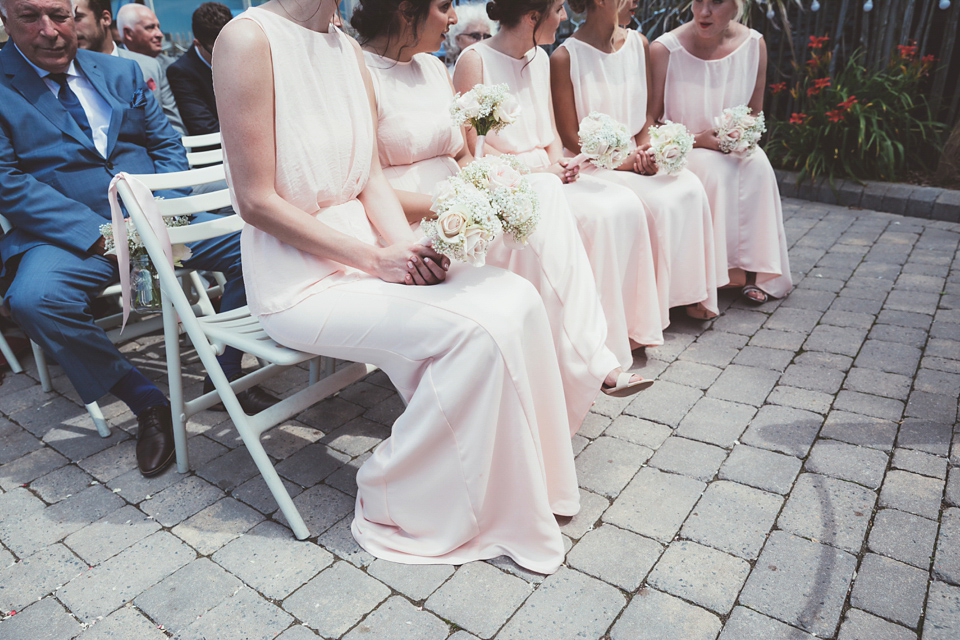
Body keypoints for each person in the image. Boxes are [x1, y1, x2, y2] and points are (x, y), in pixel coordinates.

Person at [214, 0, 580, 573]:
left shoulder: (342, 48)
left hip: (366, 258)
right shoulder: (247, 39)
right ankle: (399, 494)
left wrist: (406, 251)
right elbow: (256, 202)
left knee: (516, 298)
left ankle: (529, 488)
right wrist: (375, 257)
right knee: (474, 333)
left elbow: (366, 178)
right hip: (298, 281)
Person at [0, 0, 277, 478]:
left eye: (59, 16)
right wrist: (106, 235)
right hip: (70, 232)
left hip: (154, 216)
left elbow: (167, 146)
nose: (49, 31)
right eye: (30, 17)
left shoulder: (120, 72)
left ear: (74, 15)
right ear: (5, 19)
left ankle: (225, 373)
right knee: (35, 299)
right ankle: (148, 402)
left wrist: (155, 212)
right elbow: (9, 182)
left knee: (260, 242)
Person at [353, 0, 651, 430]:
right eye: (443, 7)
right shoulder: (362, 73)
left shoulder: (434, 69)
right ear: (406, 10)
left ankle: (579, 367)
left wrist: (498, 186)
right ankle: (588, 365)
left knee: (544, 191)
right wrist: (456, 206)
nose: (455, 19)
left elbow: (462, 153)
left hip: (466, 203)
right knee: (544, 205)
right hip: (413, 226)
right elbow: (367, 184)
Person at [453, 0, 664, 357]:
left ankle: (625, 329)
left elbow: (551, 136)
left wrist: (560, 166)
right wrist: (540, 173)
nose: (564, 17)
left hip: (551, 173)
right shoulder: (474, 60)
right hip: (508, 182)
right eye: (559, 9)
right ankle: (582, 347)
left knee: (624, 203)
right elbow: (473, 149)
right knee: (596, 216)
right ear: (533, 16)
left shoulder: (540, 58)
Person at [551, 0, 719, 323]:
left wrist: (646, 152)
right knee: (654, 201)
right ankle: (646, 309)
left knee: (688, 187)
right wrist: (624, 162)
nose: (636, 2)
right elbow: (571, 136)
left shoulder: (638, 44)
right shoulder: (564, 57)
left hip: (635, 155)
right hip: (594, 164)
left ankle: (685, 294)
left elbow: (644, 118)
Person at [650, 0, 791, 304]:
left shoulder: (754, 45)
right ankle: (714, 275)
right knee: (715, 170)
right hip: (684, 148)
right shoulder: (665, 50)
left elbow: (755, 113)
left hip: (734, 146)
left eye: (716, 2)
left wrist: (740, 133)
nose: (704, 11)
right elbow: (650, 123)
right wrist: (697, 139)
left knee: (758, 165)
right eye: (698, 1)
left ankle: (755, 272)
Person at [72, 0, 184, 134]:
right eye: (63, 19)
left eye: (77, 18)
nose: (70, 27)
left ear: (106, 19)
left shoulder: (149, 66)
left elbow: (173, 127)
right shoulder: (64, 74)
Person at [166, 2, 231, 136]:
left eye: (230, 45)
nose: (228, 53)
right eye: (218, 49)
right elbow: (204, 126)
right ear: (197, 43)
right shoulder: (181, 72)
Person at [116, 2, 173, 71]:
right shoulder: (114, 66)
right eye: (150, 27)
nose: (160, 34)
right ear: (128, 33)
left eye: (158, 27)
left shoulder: (170, 65)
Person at [443, 1, 495, 68]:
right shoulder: (447, 76)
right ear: (458, 39)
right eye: (475, 36)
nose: (482, 41)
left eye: (487, 37)